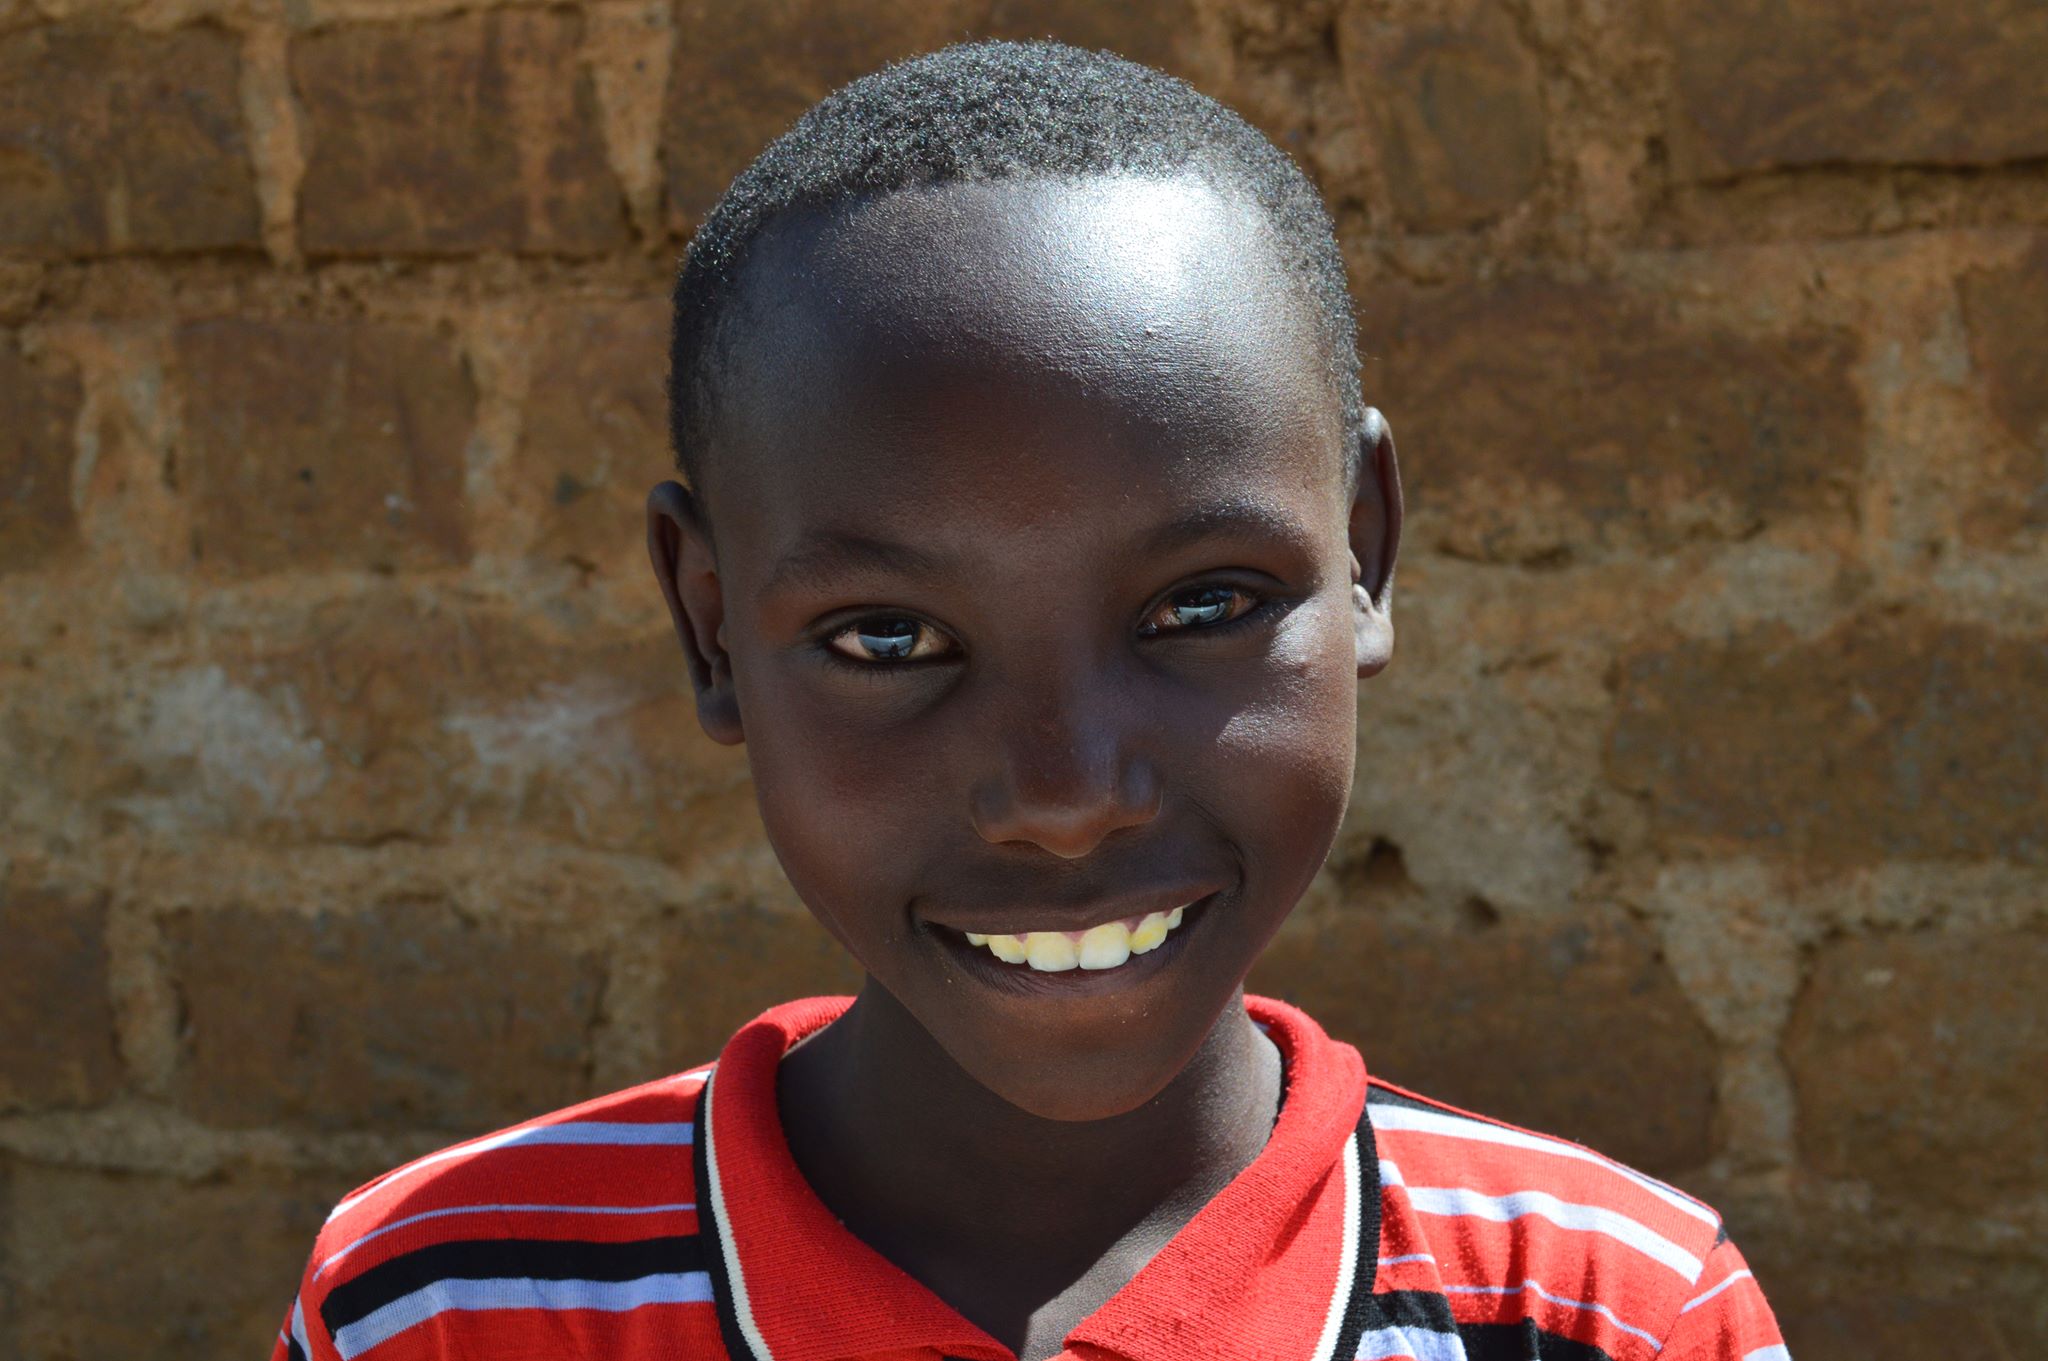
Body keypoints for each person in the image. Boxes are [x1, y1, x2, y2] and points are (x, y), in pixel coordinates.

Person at [271, 41, 1788, 1361]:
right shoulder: (438, 1309)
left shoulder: (1609, 1316)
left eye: (1202, 607)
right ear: (712, 627)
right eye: (888, 638)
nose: (1065, 796)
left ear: (1364, 553)